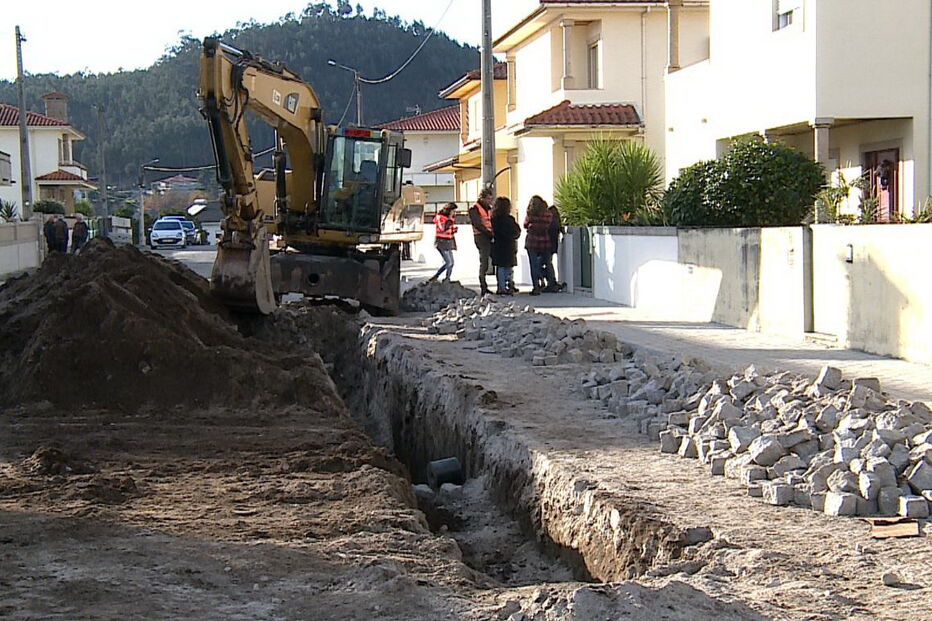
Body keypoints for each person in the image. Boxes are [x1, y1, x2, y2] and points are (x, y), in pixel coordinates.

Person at [524, 195, 556, 296]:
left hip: (532, 241)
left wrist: (531, 226)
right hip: (545, 241)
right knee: (547, 263)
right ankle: (551, 283)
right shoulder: (548, 214)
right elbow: (549, 225)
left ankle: (536, 286)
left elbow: (525, 224)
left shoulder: (530, 214)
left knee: (533, 265)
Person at [490, 196, 520, 295]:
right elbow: (517, 231)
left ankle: (501, 287)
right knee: (508, 267)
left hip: (498, 245)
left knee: (501, 267)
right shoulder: (509, 219)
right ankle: (509, 285)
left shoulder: (493, 219)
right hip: (509, 245)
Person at [468, 187, 494, 295]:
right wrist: (488, 233)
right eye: (488, 199)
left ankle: (485, 286)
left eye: (491, 199)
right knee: (484, 262)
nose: (490, 201)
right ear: (482, 198)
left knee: (487, 262)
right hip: (481, 236)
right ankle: (483, 286)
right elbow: (477, 224)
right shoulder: (474, 209)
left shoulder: (488, 208)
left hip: (488, 236)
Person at [428, 203, 457, 282]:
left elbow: (449, 229)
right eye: (453, 211)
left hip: (448, 242)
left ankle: (447, 278)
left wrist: (454, 229)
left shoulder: (449, 219)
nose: (454, 213)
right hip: (441, 242)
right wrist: (450, 220)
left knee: (451, 263)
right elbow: (443, 228)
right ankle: (437, 276)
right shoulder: (441, 218)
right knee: (449, 262)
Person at [543, 204, 566, 292]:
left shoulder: (551, 222)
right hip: (553, 245)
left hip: (548, 245)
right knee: (548, 263)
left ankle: (551, 282)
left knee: (545, 264)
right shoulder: (557, 221)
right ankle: (552, 282)